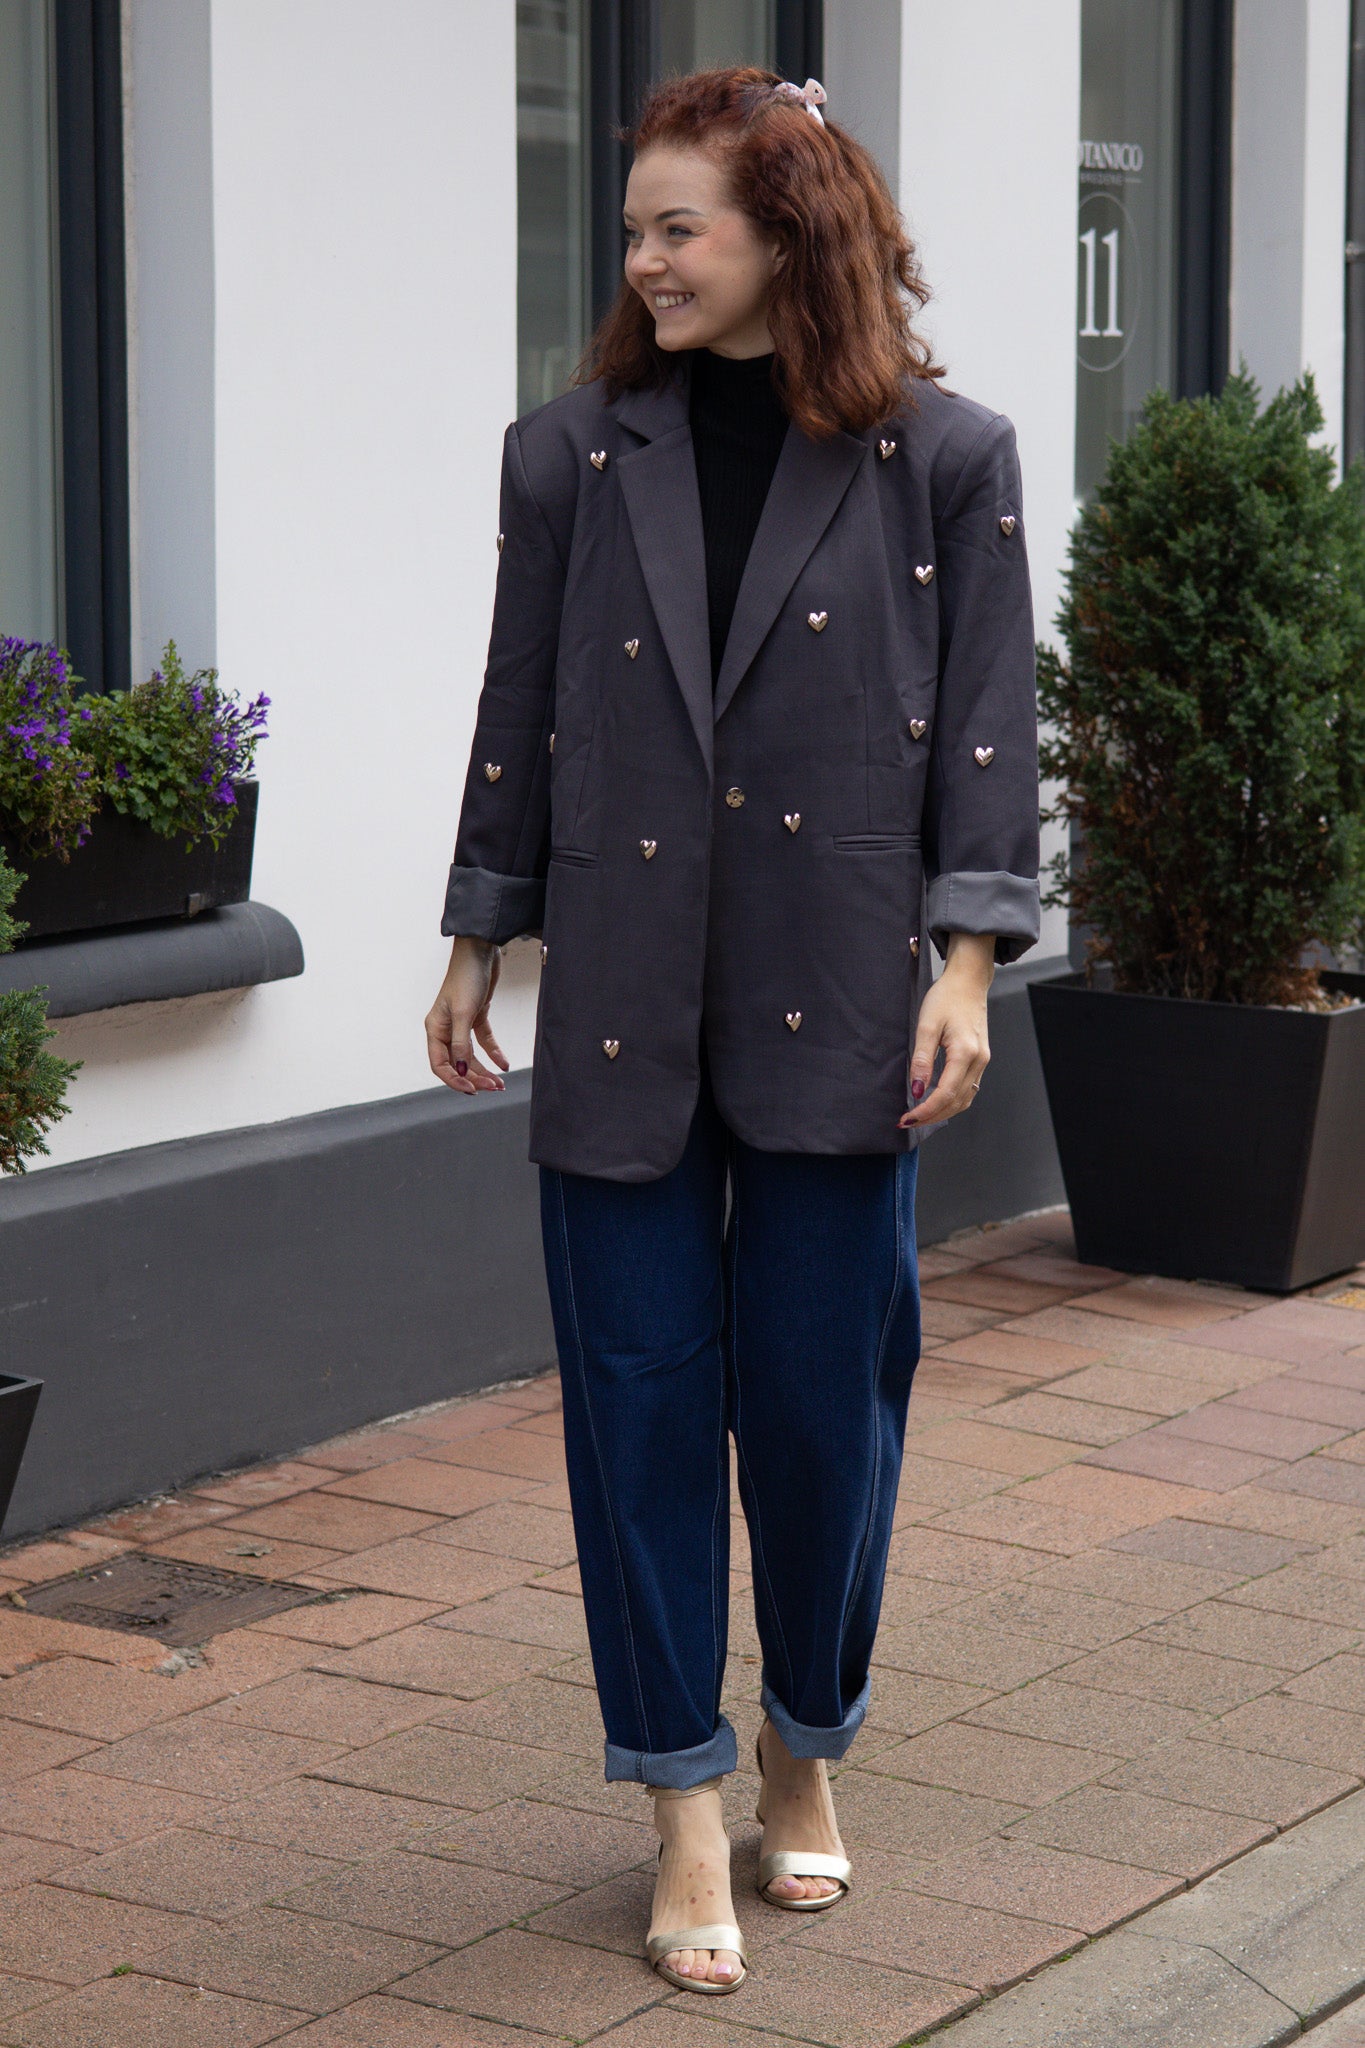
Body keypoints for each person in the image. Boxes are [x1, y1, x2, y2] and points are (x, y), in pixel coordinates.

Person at [425, 66, 1039, 1998]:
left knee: (821, 1414)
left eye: (676, 223)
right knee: (634, 1409)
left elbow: (987, 731)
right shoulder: (568, 453)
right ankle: (681, 1794)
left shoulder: (942, 457)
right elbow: (517, 701)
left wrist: (965, 963)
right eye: (634, 230)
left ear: (788, 231)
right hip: (616, 996)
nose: (643, 259)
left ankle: (804, 1744)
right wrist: (474, 935)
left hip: (844, 994)